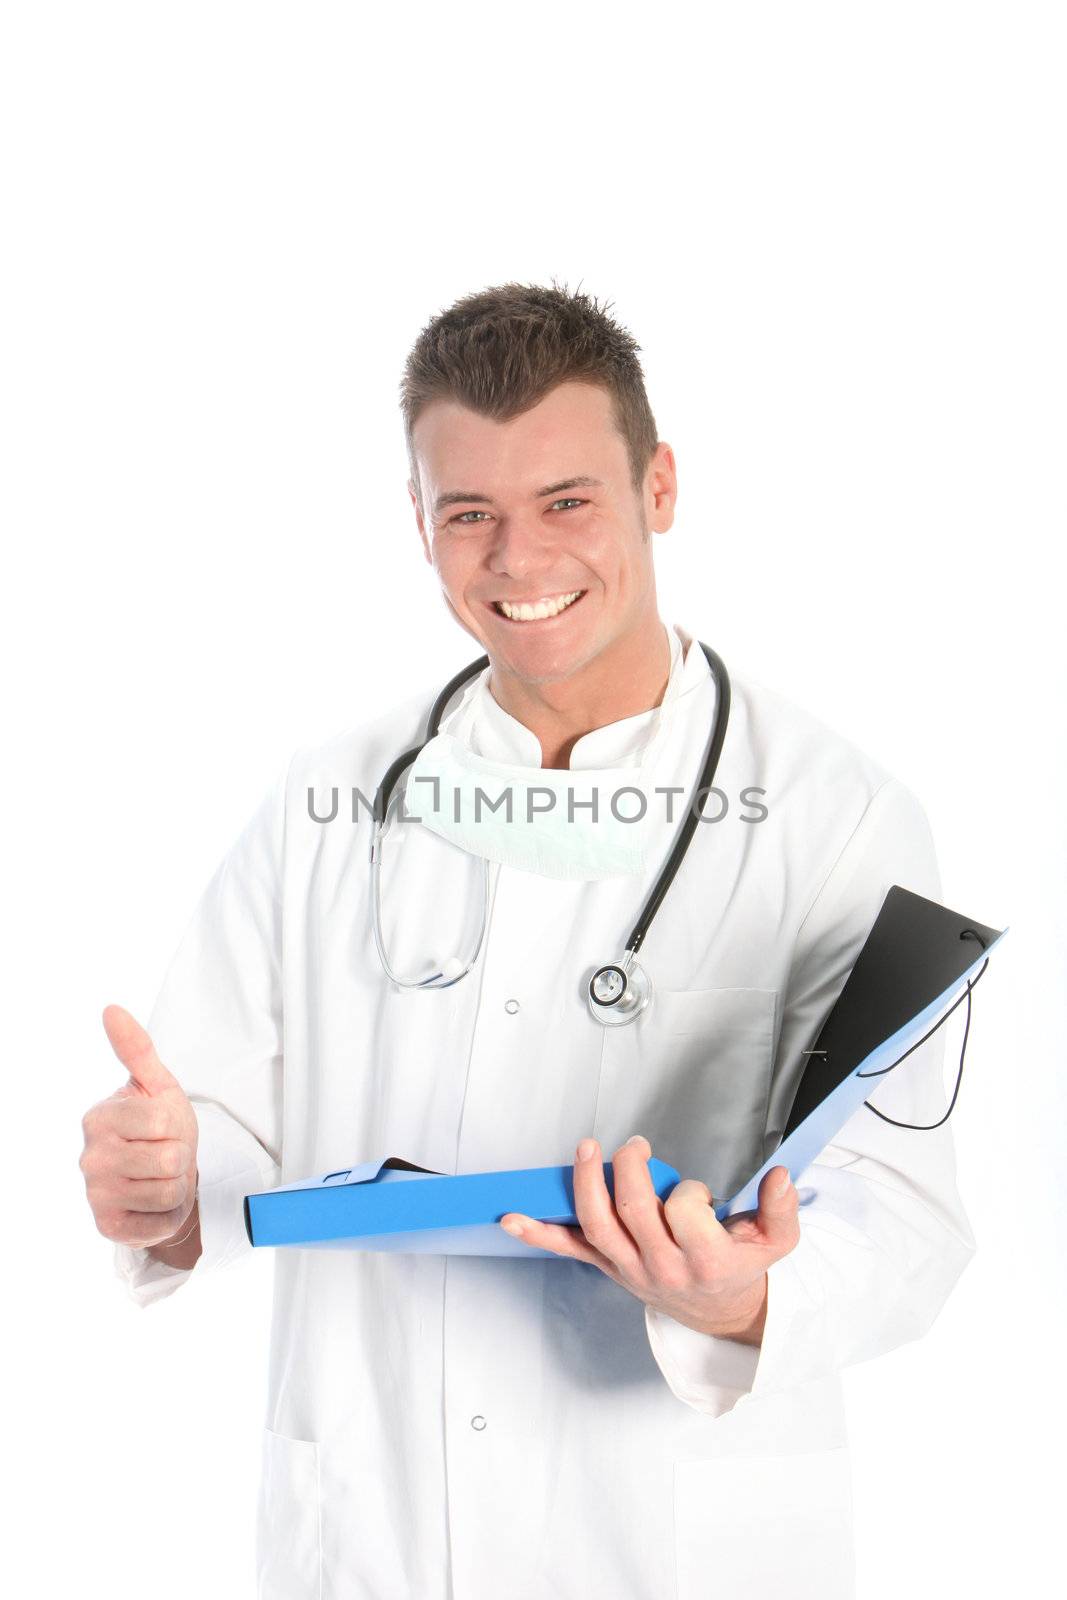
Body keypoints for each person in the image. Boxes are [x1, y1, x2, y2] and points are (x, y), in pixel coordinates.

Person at [79, 282, 975, 1599]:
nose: (520, 560)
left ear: (658, 485)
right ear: (420, 526)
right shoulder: (330, 799)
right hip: (376, 1534)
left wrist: (737, 1300)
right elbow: (210, 1138)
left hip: (668, 1539)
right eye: (470, 515)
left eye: (568, 502)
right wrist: (156, 1190)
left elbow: (904, 1217)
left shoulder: (838, 817)